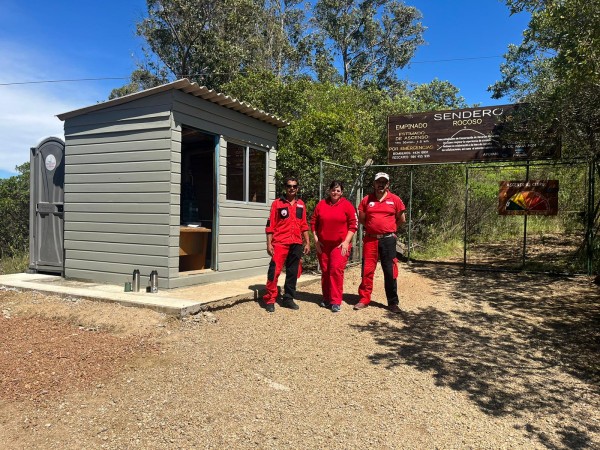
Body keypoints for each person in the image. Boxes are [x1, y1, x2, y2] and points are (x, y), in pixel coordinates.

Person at [355, 172, 406, 313]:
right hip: (370, 239)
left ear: (388, 184)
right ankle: (364, 299)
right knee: (367, 270)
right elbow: (362, 219)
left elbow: (401, 219)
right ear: (374, 183)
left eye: (384, 182)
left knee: (390, 272)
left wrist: (389, 229)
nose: (381, 184)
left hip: (388, 240)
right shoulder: (367, 200)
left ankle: (392, 302)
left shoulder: (395, 199)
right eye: (378, 181)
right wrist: (373, 229)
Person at [263, 176, 310, 313]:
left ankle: (288, 299)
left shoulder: (301, 204)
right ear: (285, 187)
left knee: (292, 273)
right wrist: (269, 243)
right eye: (289, 186)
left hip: (296, 243)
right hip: (280, 243)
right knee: (274, 272)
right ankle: (270, 299)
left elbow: (304, 225)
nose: (292, 188)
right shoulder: (277, 204)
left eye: (294, 186)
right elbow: (270, 225)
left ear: (298, 188)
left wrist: (307, 242)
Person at [310, 180, 358, 312]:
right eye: (333, 189)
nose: (335, 192)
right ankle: (326, 298)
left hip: (339, 245)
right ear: (329, 191)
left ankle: (336, 301)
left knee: (335, 271)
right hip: (323, 245)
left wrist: (346, 241)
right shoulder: (321, 204)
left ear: (341, 192)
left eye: (338, 190)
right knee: (325, 271)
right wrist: (316, 240)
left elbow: (353, 225)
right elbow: (313, 222)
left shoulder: (347, 206)